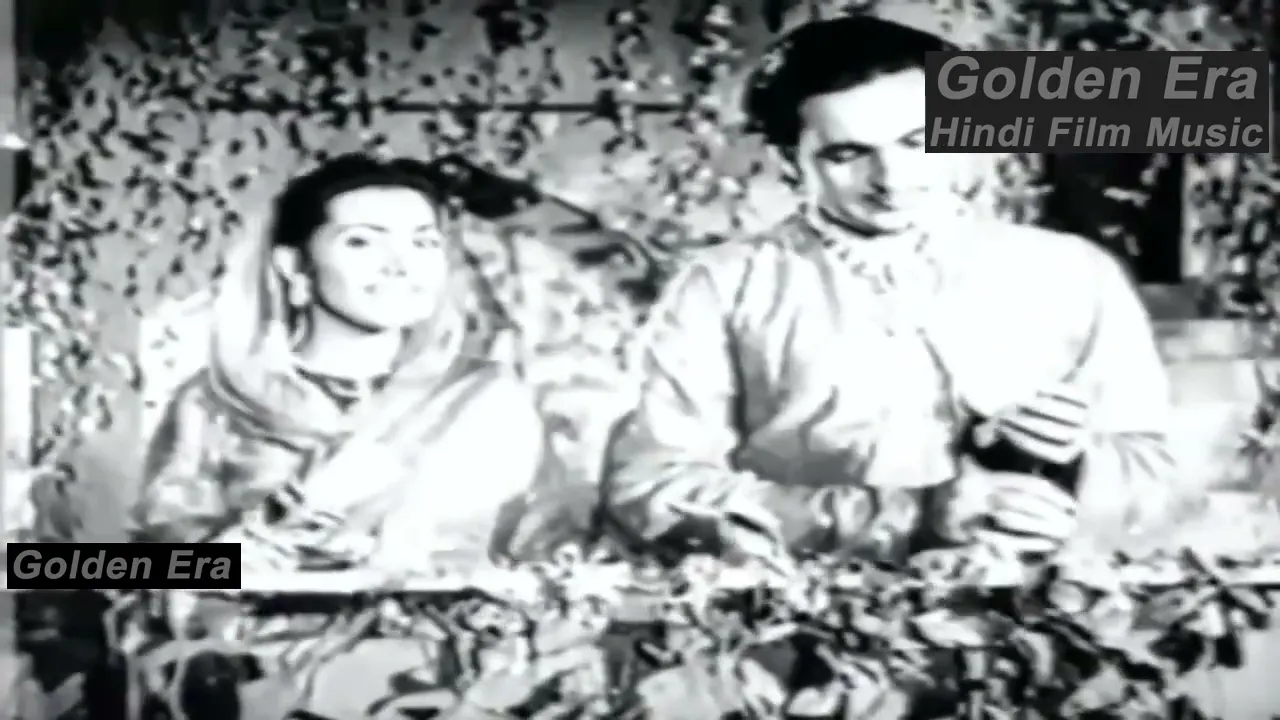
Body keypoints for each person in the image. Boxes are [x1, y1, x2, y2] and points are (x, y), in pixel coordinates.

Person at [600, 13, 1175, 566]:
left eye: (918, 140)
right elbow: (649, 488)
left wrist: (1071, 467)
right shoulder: (726, 283)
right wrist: (902, 516)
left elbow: (1155, 480)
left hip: (1044, 608)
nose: (892, 180)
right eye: (847, 154)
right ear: (788, 160)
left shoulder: (1072, 272)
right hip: (804, 612)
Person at [133, 152, 583, 572]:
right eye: (362, 242)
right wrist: (281, 521)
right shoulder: (217, 404)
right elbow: (150, 570)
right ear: (294, 266)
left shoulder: (487, 396)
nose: (401, 265)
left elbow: (549, 554)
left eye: (424, 243)